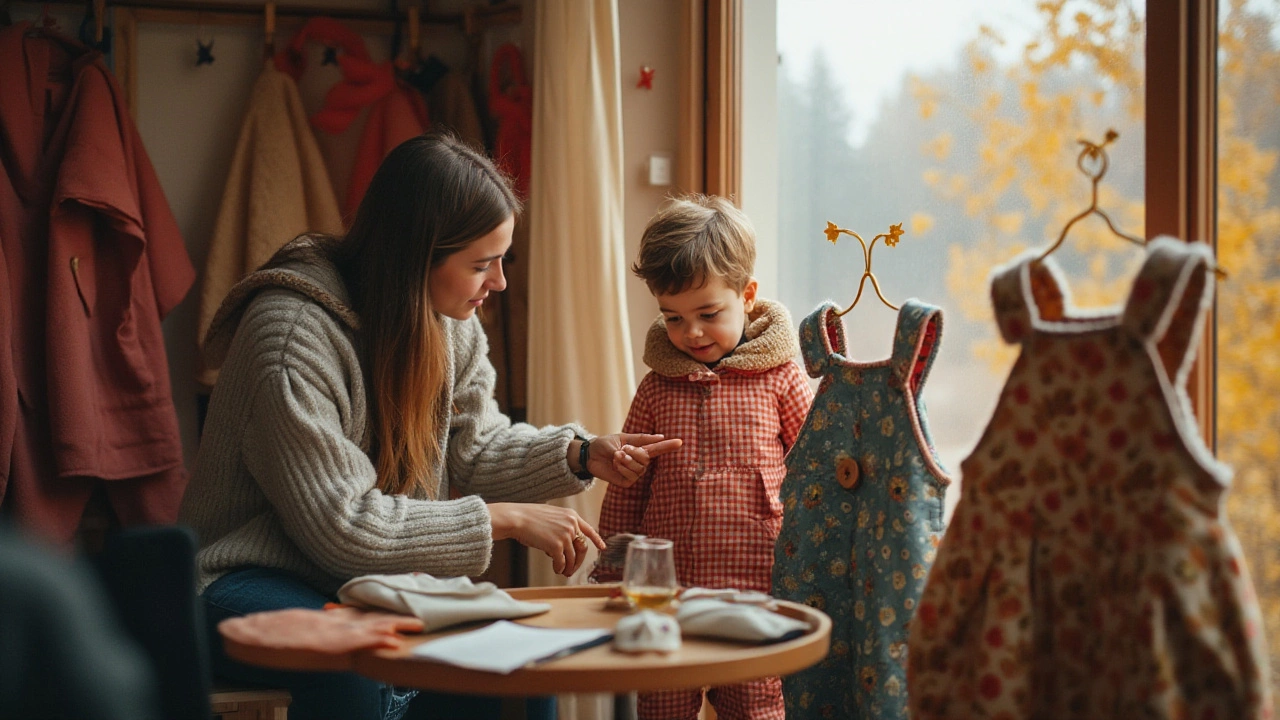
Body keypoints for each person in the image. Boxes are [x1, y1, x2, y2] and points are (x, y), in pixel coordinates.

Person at [179, 131, 680, 720]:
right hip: (241, 579)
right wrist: (503, 519)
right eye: (481, 264)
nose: (499, 283)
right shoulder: (289, 338)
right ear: (417, 256)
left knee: (521, 664)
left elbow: (473, 446)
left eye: (501, 260)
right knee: (355, 669)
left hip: (362, 583)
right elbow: (342, 526)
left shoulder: (448, 321)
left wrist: (579, 453)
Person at [590, 195, 814, 720]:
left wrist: (813, 572)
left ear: (748, 296)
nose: (690, 332)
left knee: (758, 709)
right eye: (673, 318)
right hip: (667, 602)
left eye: (708, 314)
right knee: (662, 709)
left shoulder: (781, 378)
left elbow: (816, 477)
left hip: (757, 596)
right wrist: (613, 572)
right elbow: (627, 486)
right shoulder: (656, 389)